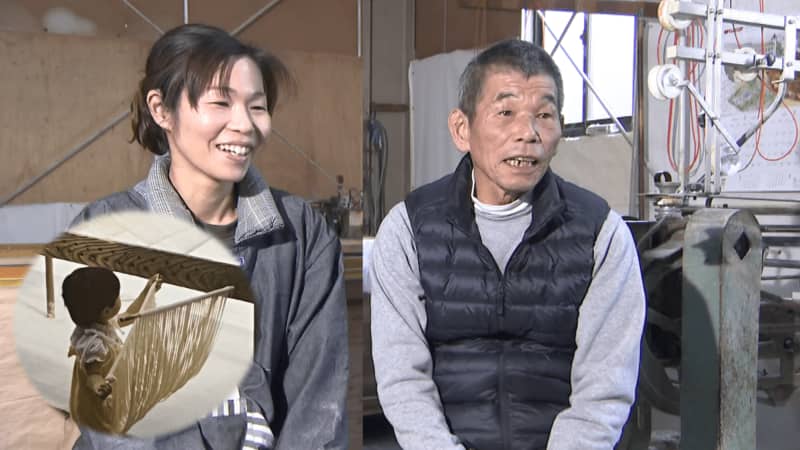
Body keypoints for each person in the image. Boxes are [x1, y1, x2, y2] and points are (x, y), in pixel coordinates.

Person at [70, 24, 348, 449]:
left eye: (257, 107)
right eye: (220, 102)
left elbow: (319, 402)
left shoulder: (303, 234)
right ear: (162, 110)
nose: (244, 124)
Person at [370, 39, 646, 450]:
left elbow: (604, 387)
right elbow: (403, 378)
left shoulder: (600, 233)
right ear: (462, 129)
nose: (527, 133)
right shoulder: (409, 228)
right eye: (506, 113)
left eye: (544, 116)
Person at [63, 269, 163, 434]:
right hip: (97, 409)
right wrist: (99, 386)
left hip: (94, 401)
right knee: (104, 432)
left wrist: (148, 291)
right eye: (117, 296)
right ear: (106, 311)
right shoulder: (93, 343)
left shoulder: (97, 323)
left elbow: (131, 314)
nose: (119, 298)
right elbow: (93, 375)